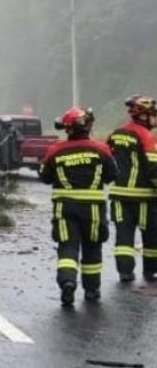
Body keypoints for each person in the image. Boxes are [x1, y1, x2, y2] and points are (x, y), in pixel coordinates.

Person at [40, 107, 118, 306]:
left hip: (64, 209)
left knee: (68, 247)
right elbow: (112, 175)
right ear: (86, 127)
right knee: (92, 248)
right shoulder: (101, 149)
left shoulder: (55, 150)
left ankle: (68, 282)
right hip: (93, 210)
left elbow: (45, 178)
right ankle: (91, 290)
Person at [107, 95, 157, 282]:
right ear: (144, 116)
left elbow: (109, 156)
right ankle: (151, 270)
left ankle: (125, 272)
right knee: (151, 236)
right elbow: (153, 170)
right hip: (144, 196)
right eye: (152, 114)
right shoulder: (147, 136)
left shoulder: (116, 133)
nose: (154, 119)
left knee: (124, 236)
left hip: (119, 195)